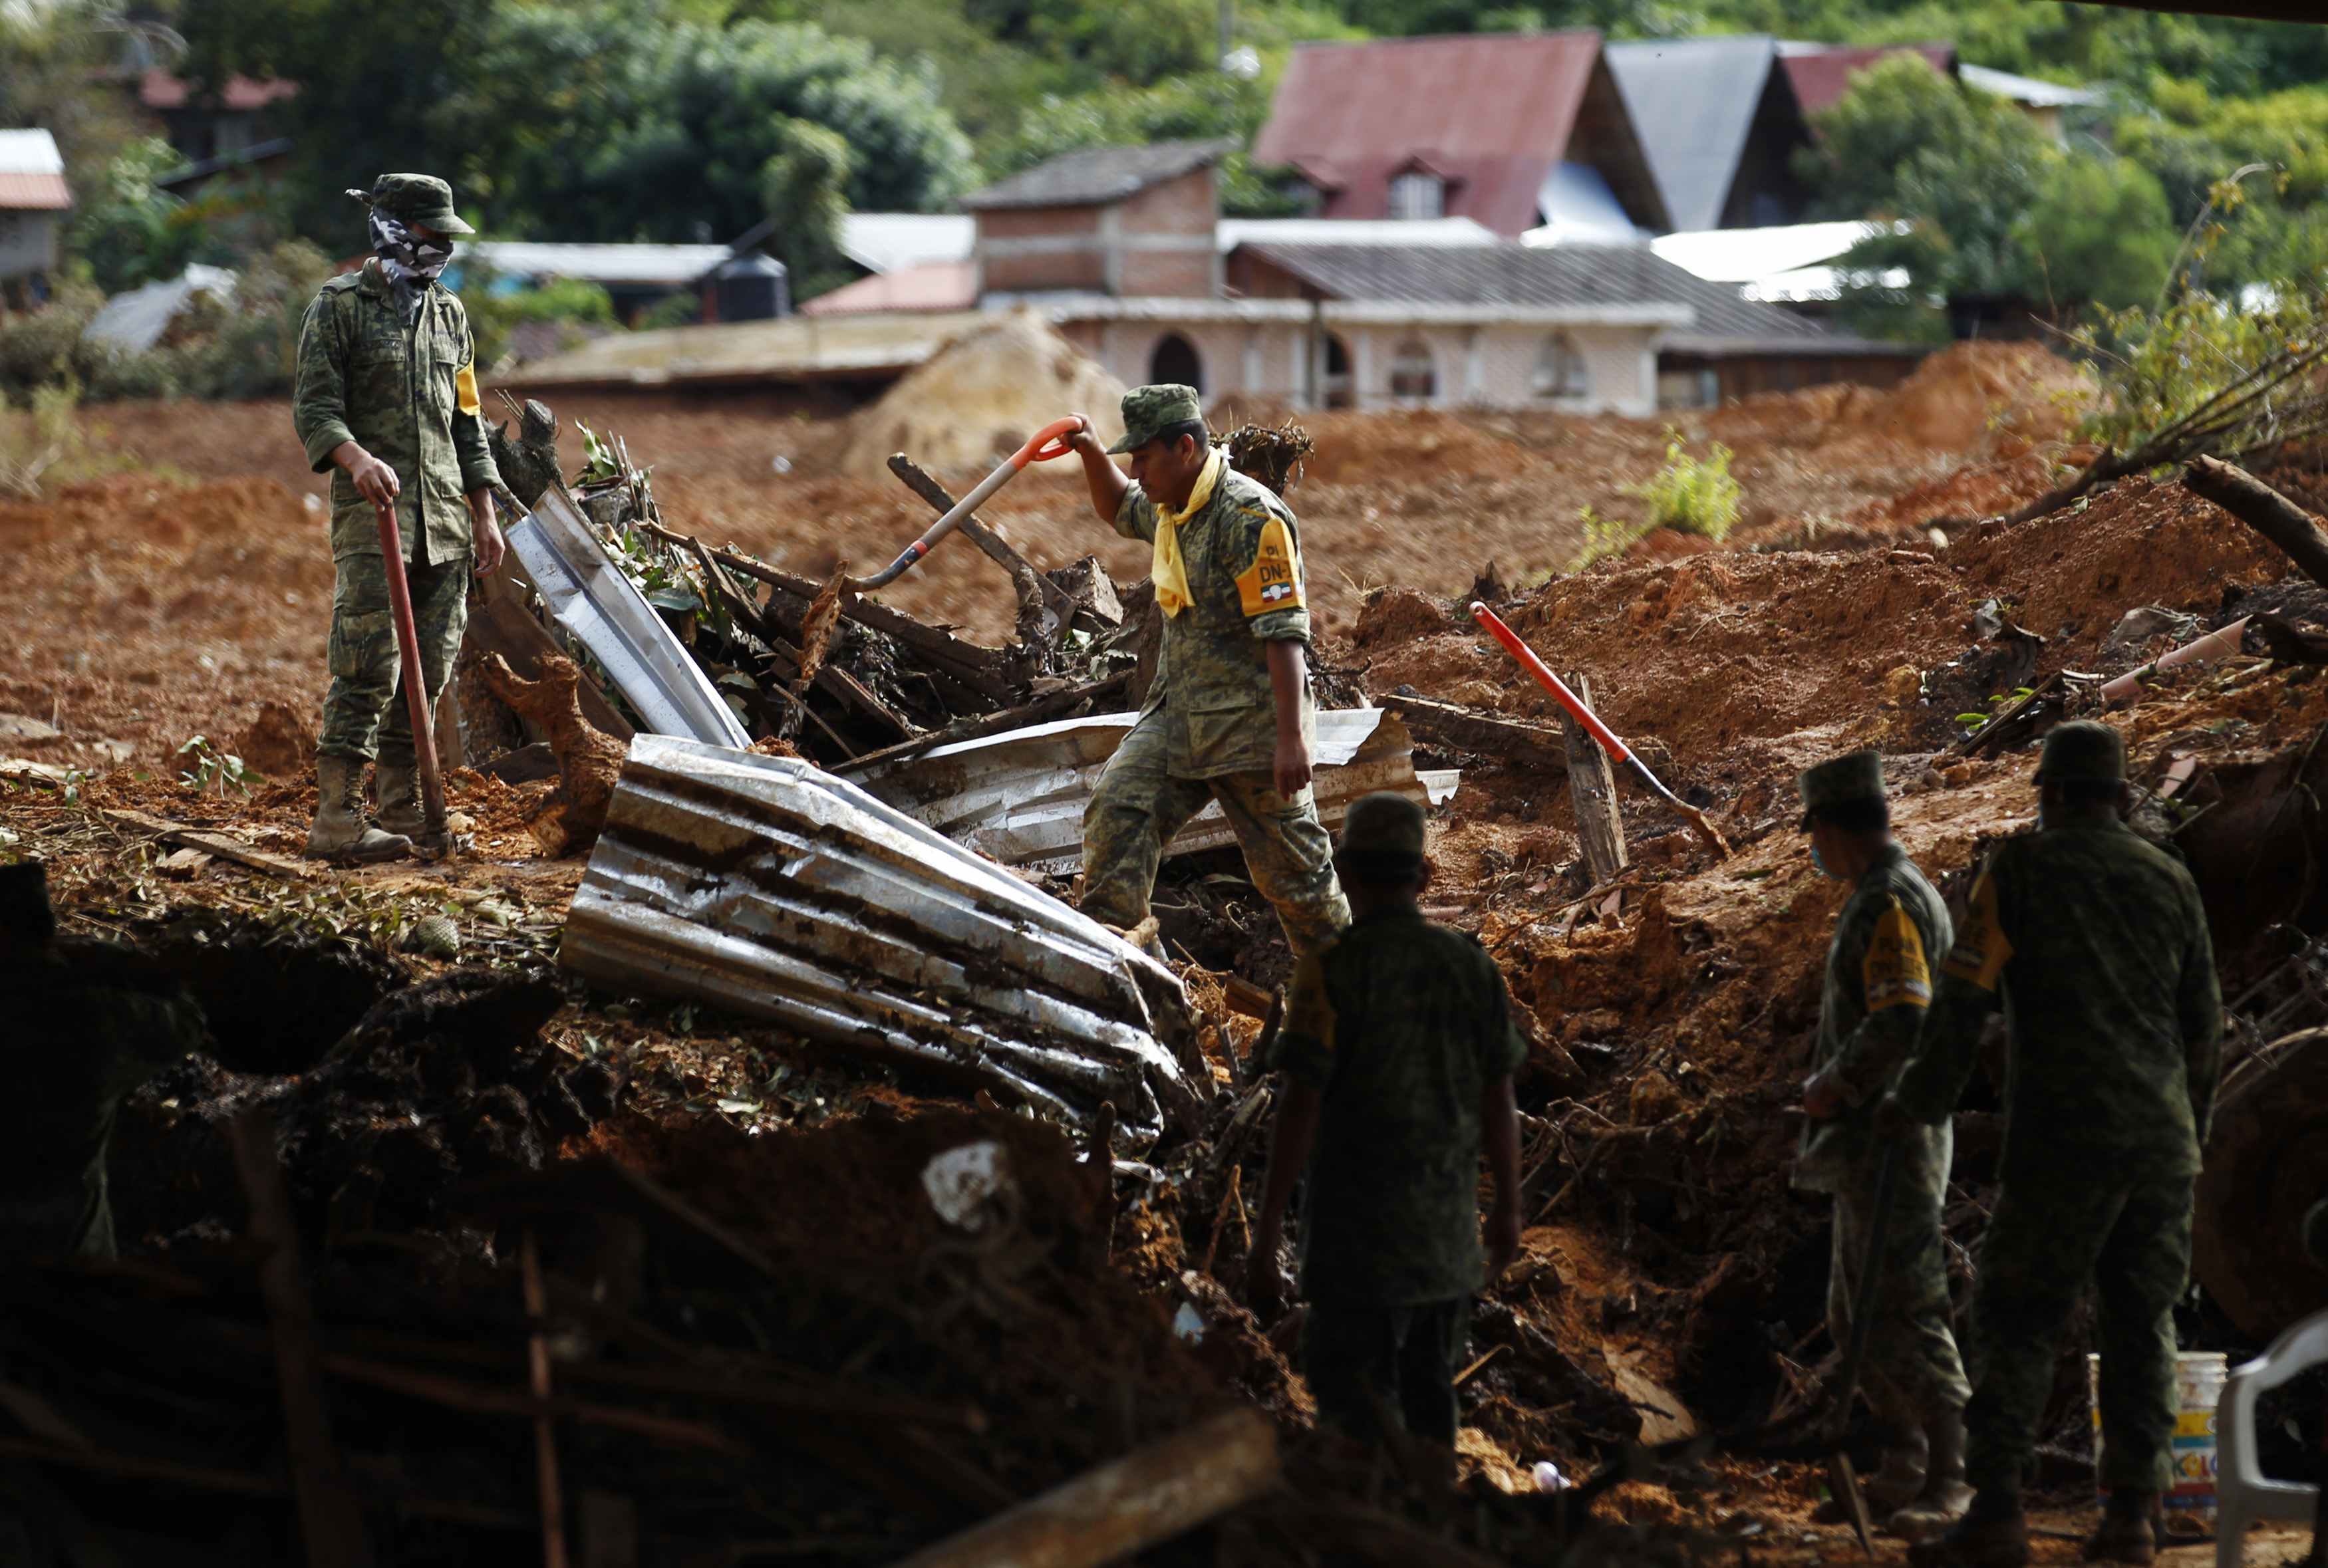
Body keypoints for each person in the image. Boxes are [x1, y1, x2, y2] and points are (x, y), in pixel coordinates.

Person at [1880, 721, 2222, 1568]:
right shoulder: (2169, 879)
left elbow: (1963, 1002)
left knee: (2016, 1312)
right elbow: (2203, 1028)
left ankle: (1996, 1512)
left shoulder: (2020, 872)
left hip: (2065, 1137)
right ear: (2117, 796)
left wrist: (1914, 1103)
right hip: (2160, 1144)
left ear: (2051, 795)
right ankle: (2132, 1520)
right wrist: (2192, 1136)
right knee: (2143, 1325)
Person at [1244, 791, 1526, 1452]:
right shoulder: (1470, 969)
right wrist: (1508, 1210)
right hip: (1443, 1245)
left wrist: (1263, 1239)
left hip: (1351, 1250)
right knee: (1431, 1407)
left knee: (1347, 1415)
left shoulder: (1329, 970)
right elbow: (1498, 1100)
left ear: (1343, 875)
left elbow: (1298, 1108)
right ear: (1424, 877)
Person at [1064, 386, 1350, 958]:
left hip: (1253, 730)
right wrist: (1091, 449)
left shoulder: (1249, 517)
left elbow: (1285, 631)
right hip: (1180, 720)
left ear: (1186, 449)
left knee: (1298, 881)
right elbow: (1119, 506)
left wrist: (1292, 739)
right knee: (1120, 811)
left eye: (1144, 458)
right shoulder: (1173, 508)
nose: (1137, 471)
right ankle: (1123, 972)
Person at [293, 172, 505, 862]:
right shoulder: (340, 307)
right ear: (389, 228)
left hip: (443, 523)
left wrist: (485, 512)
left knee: (432, 670)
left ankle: (401, 805)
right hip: (374, 520)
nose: (440, 246)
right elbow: (315, 413)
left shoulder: (450, 316)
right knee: (368, 666)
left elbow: (467, 424)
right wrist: (356, 461)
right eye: (429, 233)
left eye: (446, 237)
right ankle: (336, 818)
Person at [1794, 751, 1974, 1539]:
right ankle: (1900, 1464)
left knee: (1907, 1305)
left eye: (1816, 837)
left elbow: (1899, 1020)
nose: (1815, 852)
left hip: (1892, 1134)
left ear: (1834, 830)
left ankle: (1952, 1477)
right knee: (1853, 1311)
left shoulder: (1891, 901)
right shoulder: (1879, 895)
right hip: (1869, 1141)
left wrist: (1833, 1084)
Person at [0, 862, 208, 1257]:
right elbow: (188, 1018)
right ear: (46, 940)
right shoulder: (93, 1019)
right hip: (67, 1261)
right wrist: (108, 957)